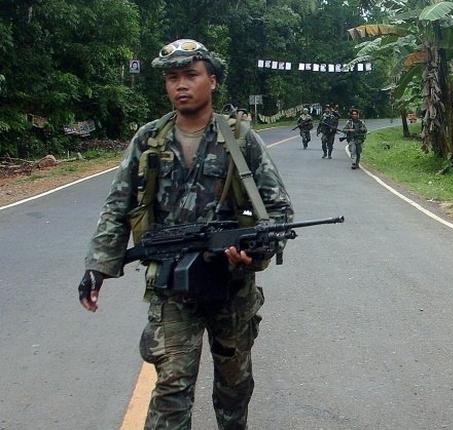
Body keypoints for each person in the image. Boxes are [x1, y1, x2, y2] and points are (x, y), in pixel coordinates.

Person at [78, 38, 294, 429]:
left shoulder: (241, 139)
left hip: (231, 287)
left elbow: (277, 211)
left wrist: (255, 250)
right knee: (171, 388)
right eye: (172, 77)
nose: (181, 85)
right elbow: (117, 205)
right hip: (171, 287)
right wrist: (98, 267)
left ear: (211, 80)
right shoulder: (148, 139)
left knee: (234, 388)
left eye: (191, 75)